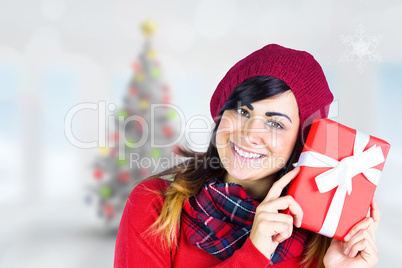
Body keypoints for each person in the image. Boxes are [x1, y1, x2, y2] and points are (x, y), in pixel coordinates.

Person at [114, 44, 380, 267]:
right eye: (242, 111)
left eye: (275, 124)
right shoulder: (156, 206)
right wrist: (254, 253)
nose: (250, 133)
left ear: (303, 142)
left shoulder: (322, 242)